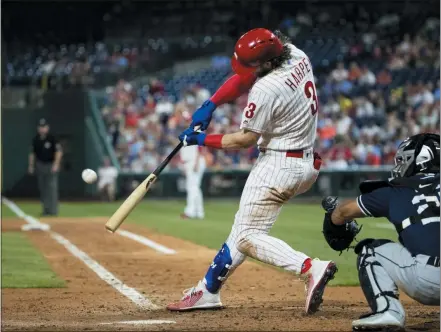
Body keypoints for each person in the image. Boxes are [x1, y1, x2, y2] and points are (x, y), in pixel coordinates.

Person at [167, 28, 337, 313]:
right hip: (303, 161)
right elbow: (247, 75)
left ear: (267, 62)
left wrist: (200, 140)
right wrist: (212, 104)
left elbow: (244, 140)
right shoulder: (296, 54)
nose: (245, 70)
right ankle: (208, 290)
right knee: (242, 229)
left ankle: (310, 267)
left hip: (278, 166)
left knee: (246, 237)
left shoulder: (266, 88)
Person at [321, 133, 440, 331]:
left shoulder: (397, 190)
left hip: (428, 282)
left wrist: (333, 221)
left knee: (370, 250)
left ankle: (388, 312)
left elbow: (343, 212)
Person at [28, 118, 62, 216]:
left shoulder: (52, 138)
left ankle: (53, 211)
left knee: (52, 189)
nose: (42, 129)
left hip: (50, 165)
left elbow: (59, 152)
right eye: (40, 127)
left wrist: (56, 164)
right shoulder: (36, 139)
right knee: (43, 189)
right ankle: (46, 210)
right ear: (38, 128)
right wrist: (31, 166)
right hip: (40, 165)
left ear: (47, 128)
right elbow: (32, 154)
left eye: (44, 127)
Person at [179, 144, 206, 219]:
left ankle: (189, 212)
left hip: (195, 161)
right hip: (189, 162)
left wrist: (196, 163)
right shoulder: (184, 137)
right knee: (195, 188)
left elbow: (200, 148)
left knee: (192, 188)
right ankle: (199, 212)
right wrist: (184, 166)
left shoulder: (193, 134)